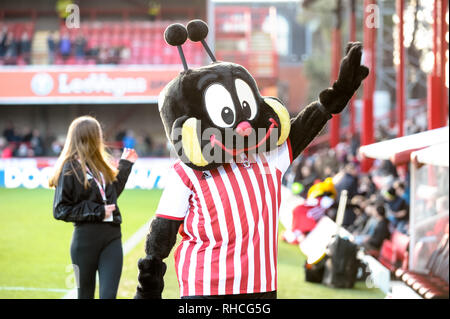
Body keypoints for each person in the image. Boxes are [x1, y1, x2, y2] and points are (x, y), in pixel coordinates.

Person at [49, 116, 138, 299]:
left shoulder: (99, 165)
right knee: (85, 296)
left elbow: (110, 196)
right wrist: (97, 211)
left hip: (112, 238)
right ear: (89, 136)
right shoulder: (69, 169)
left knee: (108, 296)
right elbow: (60, 209)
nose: (101, 137)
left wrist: (126, 165)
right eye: (98, 133)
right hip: (85, 242)